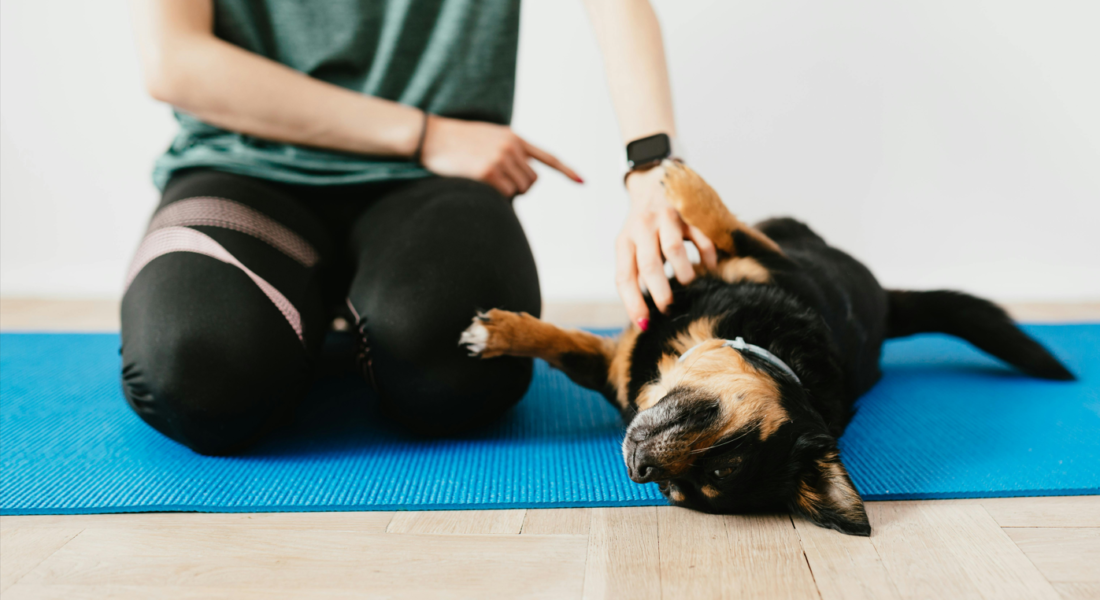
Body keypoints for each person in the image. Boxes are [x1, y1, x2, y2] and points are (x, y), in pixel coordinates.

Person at [124, 0, 717, 455]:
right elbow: (174, 60)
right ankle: (312, 327)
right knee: (197, 375)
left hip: (432, 184)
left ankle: (338, 327)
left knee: (456, 366)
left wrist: (653, 169)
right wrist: (425, 132)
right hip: (241, 166)